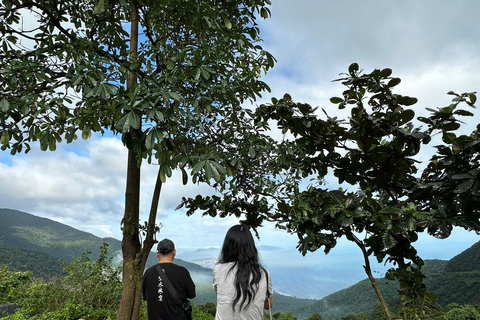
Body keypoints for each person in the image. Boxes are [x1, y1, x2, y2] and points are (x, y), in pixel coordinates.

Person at [213, 224, 274, 320]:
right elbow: (268, 306)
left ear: (227, 246)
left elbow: (220, 294)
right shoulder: (263, 273)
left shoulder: (219, 270)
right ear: (251, 247)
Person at [142, 238, 196, 320]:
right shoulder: (182, 272)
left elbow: (145, 297)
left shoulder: (148, 272)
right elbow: (192, 295)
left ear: (157, 254)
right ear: (174, 252)